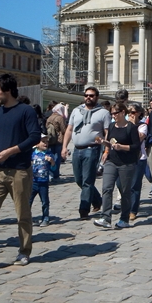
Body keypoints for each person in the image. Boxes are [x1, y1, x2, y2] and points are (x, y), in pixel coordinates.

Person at [0, 73, 41, 269]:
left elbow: (34, 137)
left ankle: (24, 251)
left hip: (19, 171)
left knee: (22, 214)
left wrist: (10, 151)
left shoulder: (26, 111)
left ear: (8, 90)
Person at [62, 86, 111, 219]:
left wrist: (106, 149)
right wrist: (64, 147)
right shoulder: (77, 111)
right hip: (77, 149)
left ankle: (83, 210)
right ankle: (97, 200)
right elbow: (69, 129)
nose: (88, 97)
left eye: (91, 95)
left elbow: (107, 132)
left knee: (87, 181)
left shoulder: (103, 113)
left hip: (92, 149)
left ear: (97, 97)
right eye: (86, 95)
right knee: (79, 179)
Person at [93, 103, 140, 229]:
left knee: (124, 191)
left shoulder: (131, 127)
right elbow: (110, 143)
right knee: (107, 188)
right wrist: (103, 143)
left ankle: (124, 219)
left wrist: (122, 147)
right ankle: (105, 217)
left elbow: (136, 146)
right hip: (111, 161)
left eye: (116, 113)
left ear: (123, 112)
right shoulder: (112, 126)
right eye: (112, 113)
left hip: (127, 163)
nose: (113, 116)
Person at [125, 104, 148, 221]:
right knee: (121, 184)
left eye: (133, 112)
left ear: (139, 113)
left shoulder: (142, 126)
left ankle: (133, 210)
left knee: (135, 185)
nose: (130, 115)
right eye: (128, 113)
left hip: (139, 158)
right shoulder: (124, 125)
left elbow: (138, 139)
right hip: (124, 157)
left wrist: (132, 125)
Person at [30, 134, 55, 227]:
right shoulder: (32, 154)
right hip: (33, 182)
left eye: (47, 142)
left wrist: (51, 161)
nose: (45, 143)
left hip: (43, 182)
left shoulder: (49, 154)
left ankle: (45, 218)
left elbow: (54, 167)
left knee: (45, 201)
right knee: (28, 201)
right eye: (43, 142)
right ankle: (27, 218)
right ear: (37, 144)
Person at [45, 103, 67, 181]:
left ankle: (50, 173)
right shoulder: (60, 118)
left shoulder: (49, 117)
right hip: (58, 140)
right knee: (57, 158)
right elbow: (63, 129)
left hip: (50, 139)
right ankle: (55, 174)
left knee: (50, 156)